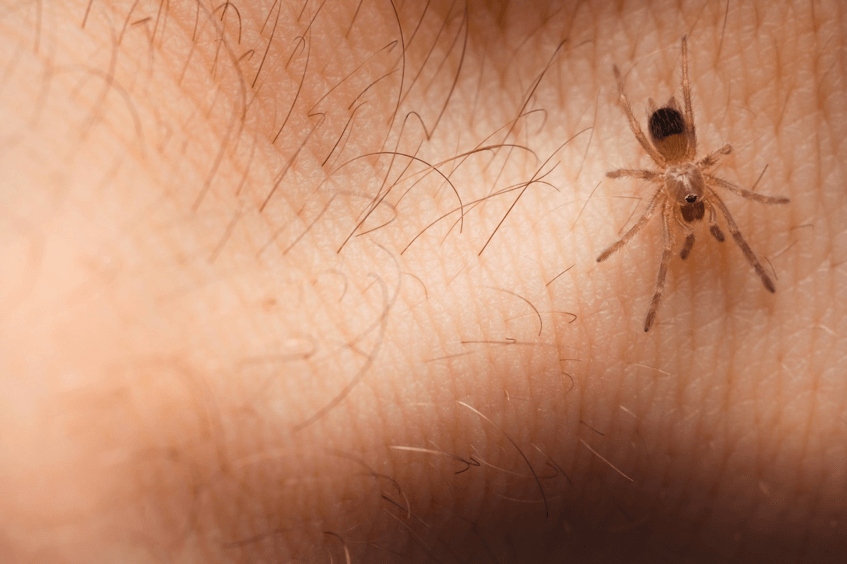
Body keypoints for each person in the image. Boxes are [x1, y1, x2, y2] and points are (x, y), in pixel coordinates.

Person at [1, 0, 843, 562]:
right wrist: (657, 256)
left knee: (704, 218)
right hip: (663, 157)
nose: (696, 200)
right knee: (659, 241)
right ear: (682, 171)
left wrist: (742, 207)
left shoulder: (693, 175)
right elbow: (650, 216)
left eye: (694, 190)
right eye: (691, 192)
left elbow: (724, 186)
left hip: (673, 156)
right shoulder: (666, 181)